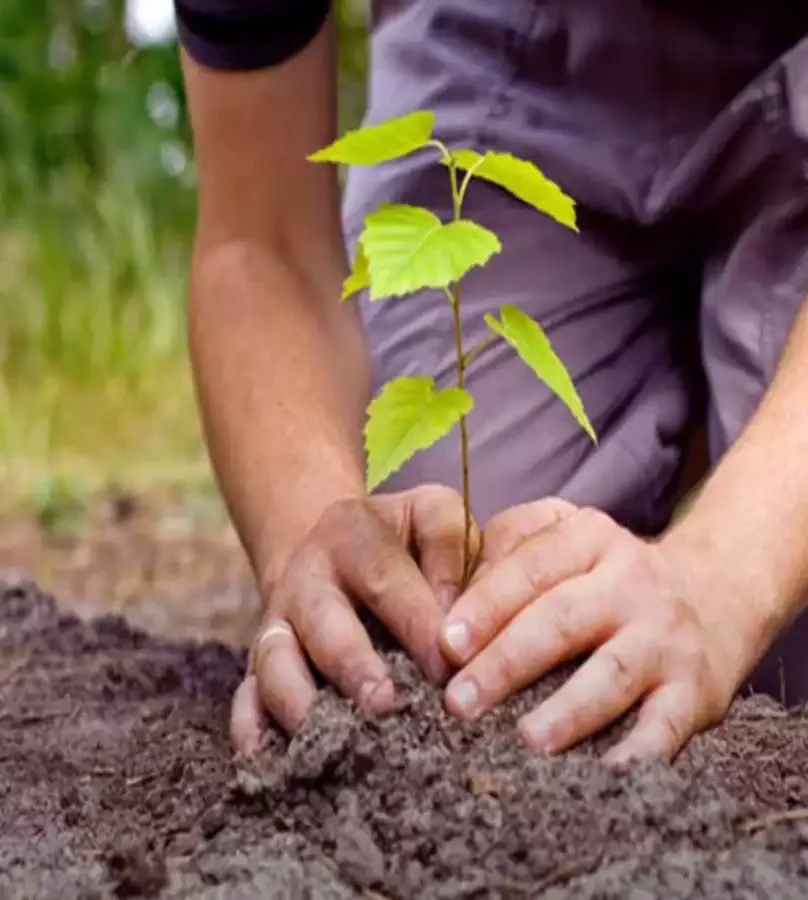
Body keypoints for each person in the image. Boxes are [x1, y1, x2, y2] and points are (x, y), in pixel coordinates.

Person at [173, 0, 808, 764]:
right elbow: (259, 240)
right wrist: (308, 543)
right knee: (448, 603)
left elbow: (738, 583)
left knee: (782, 648)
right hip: (516, 41)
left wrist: (725, 573)